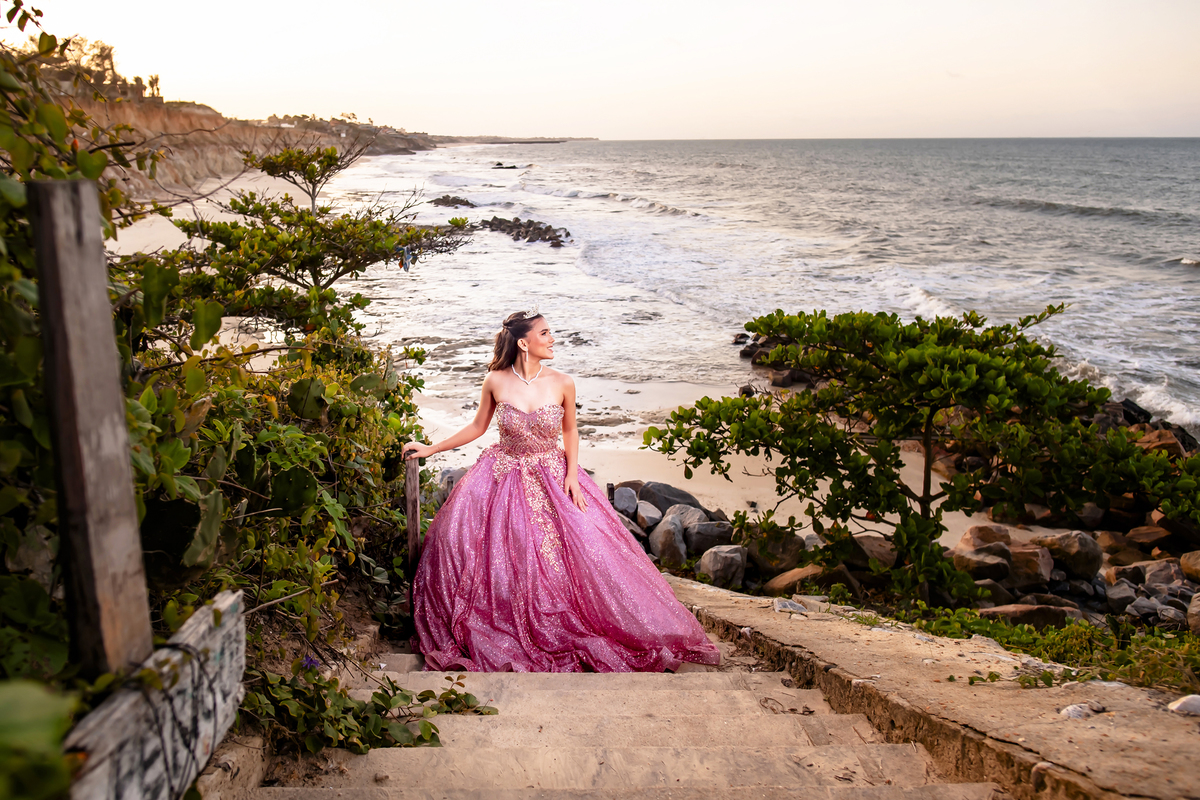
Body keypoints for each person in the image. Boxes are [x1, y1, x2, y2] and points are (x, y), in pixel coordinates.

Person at [401, 310, 720, 672]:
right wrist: (431, 449)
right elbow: (478, 426)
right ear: (524, 342)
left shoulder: (563, 382)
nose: (552, 339)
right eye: (545, 333)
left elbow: (570, 431)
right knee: (495, 549)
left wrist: (571, 472)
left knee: (583, 549)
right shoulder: (495, 380)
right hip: (502, 473)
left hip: (553, 474)